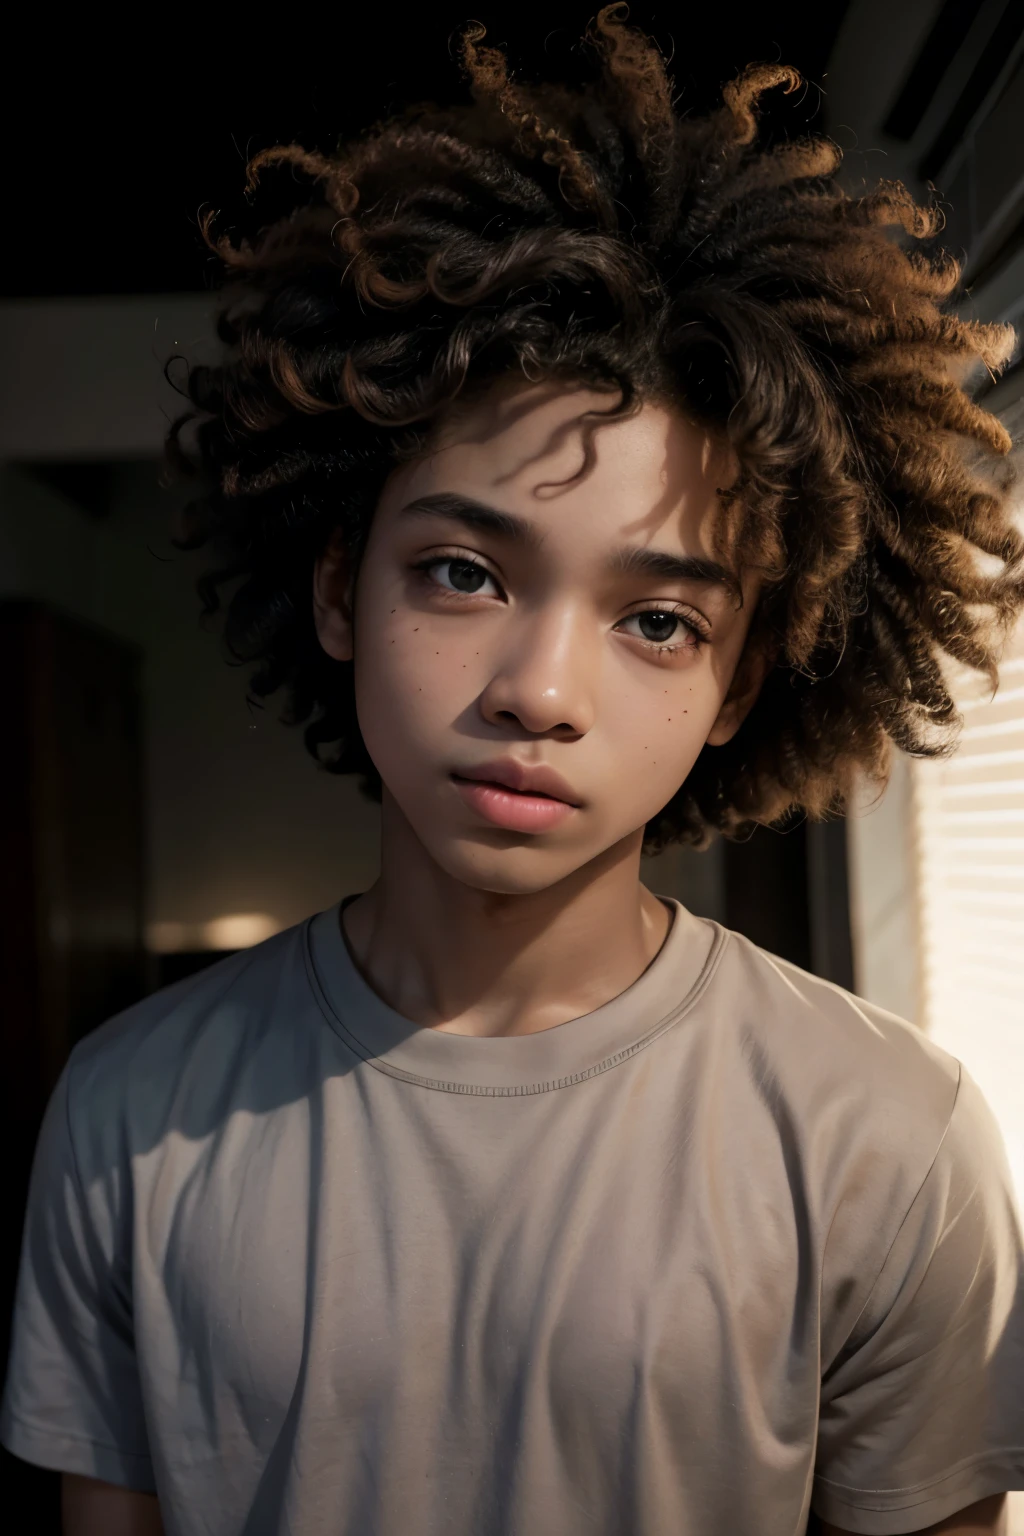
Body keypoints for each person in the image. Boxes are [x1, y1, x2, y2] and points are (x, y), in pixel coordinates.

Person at [3, 8, 1024, 1534]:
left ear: (741, 681)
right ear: (342, 589)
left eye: (659, 619)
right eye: (468, 574)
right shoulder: (128, 1111)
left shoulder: (889, 1136)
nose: (541, 692)